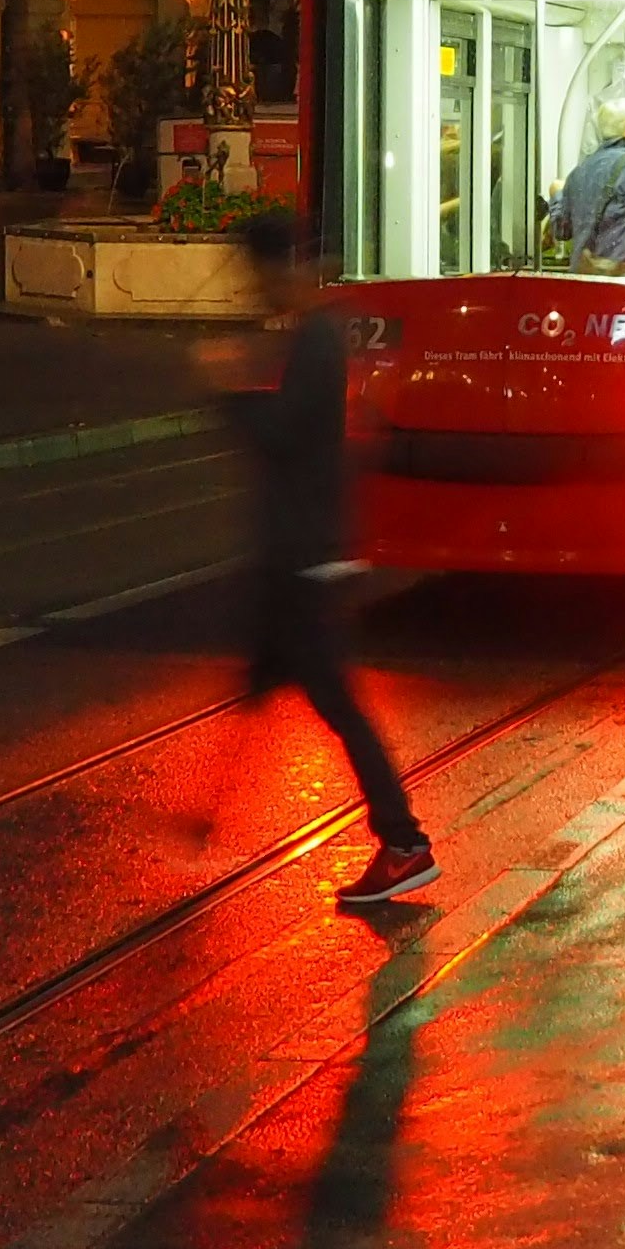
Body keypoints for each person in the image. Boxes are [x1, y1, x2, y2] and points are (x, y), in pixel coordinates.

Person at [220, 206, 436, 904]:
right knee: (285, 690)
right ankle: (204, 822)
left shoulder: (316, 335)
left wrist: (226, 398)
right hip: (300, 549)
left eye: (255, 273)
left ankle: (403, 842)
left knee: (338, 705)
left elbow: (289, 435)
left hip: (307, 554)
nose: (252, 289)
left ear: (280, 266)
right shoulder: (316, 330)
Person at [554, 109, 625, 274]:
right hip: (623, 277)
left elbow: (561, 230)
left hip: (583, 277)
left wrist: (557, 196)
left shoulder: (580, 170)